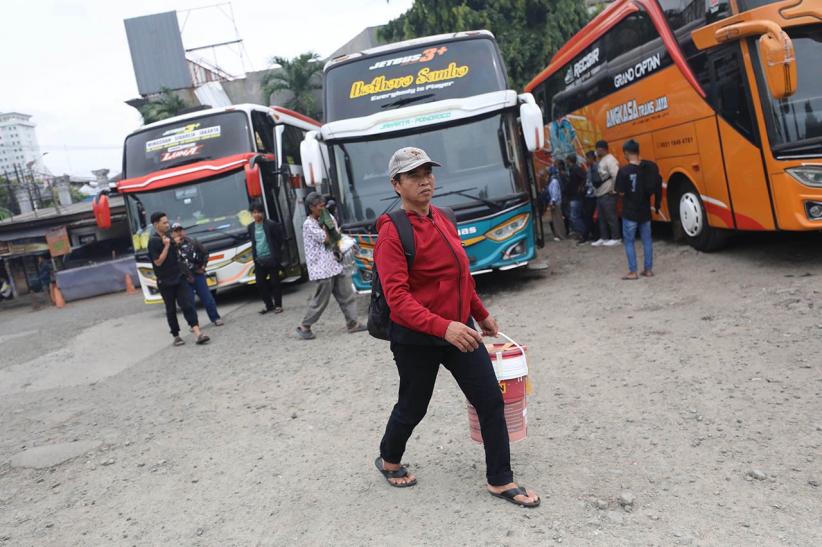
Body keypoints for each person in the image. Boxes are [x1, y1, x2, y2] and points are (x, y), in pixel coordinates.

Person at [373, 146, 540, 508]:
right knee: (413, 406)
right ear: (396, 184)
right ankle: (389, 458)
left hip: (459, 331)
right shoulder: (392, 232)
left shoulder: (445, 217)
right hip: (416, 338)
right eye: (414, 176)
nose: (425, 181)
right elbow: (397, 299)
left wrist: (480, 313)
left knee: (490, 399)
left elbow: (460, 275)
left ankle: (500, 479)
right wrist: (442, 327)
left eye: (428, 173)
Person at [295, 192, 366, 339]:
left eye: (324, 206)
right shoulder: (308, 224)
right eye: (320, 206)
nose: (323, 209)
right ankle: (305, 326)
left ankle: (353, 324)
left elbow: (336, 236)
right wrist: (328, 226)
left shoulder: (329, 217)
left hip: (335, 263)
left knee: (346, 295)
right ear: (311, 207)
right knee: (321, 300)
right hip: (321, 268)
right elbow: (327, 239)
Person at [148, 212, 210, 346]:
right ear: (156, 224)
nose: (167, 225)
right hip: (165, 280)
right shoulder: (153, 241)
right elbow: (158, 262)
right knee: (171, 309)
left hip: (179, 277)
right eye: (164, 223)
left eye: (167, 222)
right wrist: (166, 246)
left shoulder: (169, 237)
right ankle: (176, 335)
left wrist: (176, 243)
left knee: (188, 304)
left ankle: (198, 333)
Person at [615, 139, 662, 280]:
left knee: (629, 241)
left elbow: (620, 192)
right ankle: (648, 270)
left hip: (630, 212)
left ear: (626, 153)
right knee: (647, 240)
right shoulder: (647, 168)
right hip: (645, 211)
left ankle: (633, 272)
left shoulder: (623, 171)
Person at [172, 223, 223, 326]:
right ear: (172, 234)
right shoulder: (170, 247)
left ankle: (215, 318)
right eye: (176, 231)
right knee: (188, 303)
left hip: (197, 274)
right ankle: (194, 324)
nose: (179, 233)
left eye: (180, 230)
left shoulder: (193, 242)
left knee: (207, 298)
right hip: (184, 278)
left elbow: (205, 253)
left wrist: (203, 266)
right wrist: (174, 246)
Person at [247, 202, 285, 314]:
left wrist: (276, 254)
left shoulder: (271, 225)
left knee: (275, 282)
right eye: (254, 212)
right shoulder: (250, 227)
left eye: (259, 212)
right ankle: (269, 305)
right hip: (259, 259)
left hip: (271, 258)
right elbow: (254, 242)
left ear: (263, 213)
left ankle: (278, 305)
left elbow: (279, 239)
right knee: (260, 283)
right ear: (251, 214)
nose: (256, 214)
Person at [592, 140, 621, 247]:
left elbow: (616, 175)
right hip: (600, 193)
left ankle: (616, 238)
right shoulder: (602, 160)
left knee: (611, 217)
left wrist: (614, 189)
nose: (596, 151)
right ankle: (604, 237)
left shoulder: (610, 159)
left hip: (608, 193)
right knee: (602, 218)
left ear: (602, 149)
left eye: (597, 149)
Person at [579, 150, 599, 244]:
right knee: (589, 216)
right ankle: (592, 235)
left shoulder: (595, 167)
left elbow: (594, 182)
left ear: (591, 158)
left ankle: (590, 236)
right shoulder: (590, 168)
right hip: (589, 195)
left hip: (593, 195)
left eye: (587, 158)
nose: (585, 160)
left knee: (590, 216)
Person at [565, 154, 586, 238]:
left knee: (574, 216)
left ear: (569, 160)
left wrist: (580, 187)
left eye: (566, 160)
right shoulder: (572, 169)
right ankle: (580, 232)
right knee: (574, 215)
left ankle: (583, 233)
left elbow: (584, 177)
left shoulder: (576, 169)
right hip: (573, 196)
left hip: (576, 196)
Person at [546, 166, 566, 241]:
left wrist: (553, 202)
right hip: (554, 202)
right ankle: (558, 235)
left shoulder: (554, 181)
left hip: (555, 203)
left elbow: (555, 193)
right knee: (556, 220)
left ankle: (561, 235)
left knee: (558, 220)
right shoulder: (553, 181)